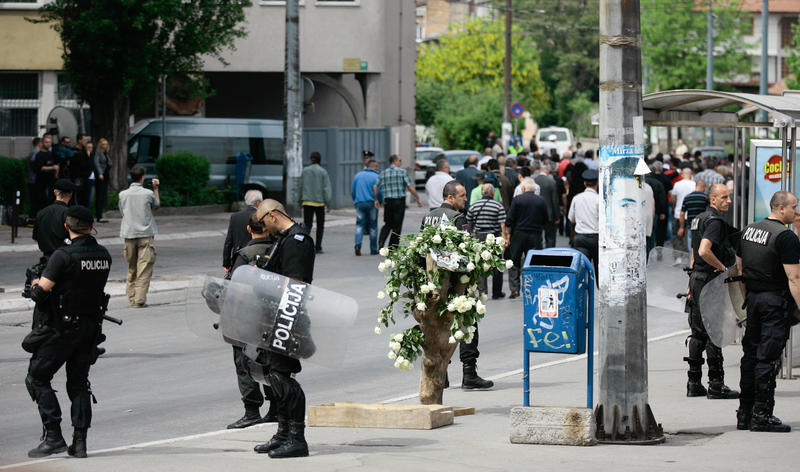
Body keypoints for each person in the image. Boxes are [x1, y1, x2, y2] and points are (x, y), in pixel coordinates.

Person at [24, 205, 112, 458]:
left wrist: (33, 282)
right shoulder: (103, 254)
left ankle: (53, 436)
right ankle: (80, 443)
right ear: (91, 225)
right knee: (79, 383)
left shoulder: (62, 256)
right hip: (90, 328)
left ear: (66, 226)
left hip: (62, 329)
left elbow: (41, 293)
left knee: (37, 376)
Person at [252, 199, 315, 458]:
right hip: (273, 316)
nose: (263, 228)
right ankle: (283, 433)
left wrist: (264, 280)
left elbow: (295, 284)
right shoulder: (284, 238)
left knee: (283, 376)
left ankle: (297, 438)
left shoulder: (297, 241)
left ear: (274, 215)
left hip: (288, 317)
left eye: (263, 222)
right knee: (273, 376)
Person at [736, 191, 800, 432]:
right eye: (794, 207)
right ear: (781, 208)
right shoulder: (785, 237)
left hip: (754, 299)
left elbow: (740, 269)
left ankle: (745, 412)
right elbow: (794, 278)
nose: (796, 211)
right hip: (775, 301)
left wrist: (748, 299)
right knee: (768, 357)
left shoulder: (749, 230)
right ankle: (762, 414)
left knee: (750, 355)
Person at [421, 181, 493, 389]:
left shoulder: (428, 217)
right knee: (467, 326)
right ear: (450, 197)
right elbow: (464, 253)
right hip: (456, 283)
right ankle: (469, 373)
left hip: (434, 283)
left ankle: (441, 374)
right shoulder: (458, 218)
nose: (465, 199)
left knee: (440, 327)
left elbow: (421, 251)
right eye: (462, 196)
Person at [684, 183, 739, 400]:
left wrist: (691, 279)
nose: (729, 201)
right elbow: (703, 250)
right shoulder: (715, 221)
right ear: (713, 199)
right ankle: (717, 384)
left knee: (697, 332)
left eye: (729, 197)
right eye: (724, 197)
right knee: (714, 331)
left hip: (697, 279)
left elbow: (694, 252)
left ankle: (694, 382)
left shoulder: (698, 218)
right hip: (710, 281)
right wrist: (722, 267)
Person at [226, 212, 279, 429]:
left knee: (245, 364)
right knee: (273, 364)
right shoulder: (279, 250)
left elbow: (233, 288)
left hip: (248, 320)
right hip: (274, 319)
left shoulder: (245, 254)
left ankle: (251, 411)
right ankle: (276, 407)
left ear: (250, 230)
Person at [118, 166, 160, 308]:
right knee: (144, 267)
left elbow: (121, 211)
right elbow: (157, 205)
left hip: (129, 233)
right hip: (145, 234)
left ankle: (131, 297)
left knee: (132, 267)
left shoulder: (122, 194)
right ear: (142, 177)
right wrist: (156, 189)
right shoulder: (148, 193)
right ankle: (140, 299)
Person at [506, 177, 549, 299]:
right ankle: (532, 287)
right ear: (534, 189)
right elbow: (546, 219)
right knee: (535, 261)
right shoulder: (540, 201)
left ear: (523, 188)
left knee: (514, 260)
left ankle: (515, 289)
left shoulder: (517, 200)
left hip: (518, 234)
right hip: (535, 234)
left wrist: (508, 233)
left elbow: (510, 219)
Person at [467, 183, 507, 300]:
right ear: (493, 193)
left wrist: (469, 236)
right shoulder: (498, 206)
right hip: (494, 237)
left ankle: (482, 291)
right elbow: (502, 224)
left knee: (480, 264)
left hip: (479, 237)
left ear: (481, 193)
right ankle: (497, 292)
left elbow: (469, 223)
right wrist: (505, 238)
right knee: (497, 264)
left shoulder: (474, 205)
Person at [374, 154, 422, 248]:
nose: (401, 162)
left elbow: (375, 187)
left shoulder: (383, 173)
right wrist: (417, 197)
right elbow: (410, 187)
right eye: (400, 160)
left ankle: (381, 241)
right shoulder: (402, 172)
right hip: (399, 202)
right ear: (394, 161)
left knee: (388, 223)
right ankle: (393, 247)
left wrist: (376, 199)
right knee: (397, 226)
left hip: (388, 202)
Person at [32, 179, 78, 258]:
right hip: (65, 257)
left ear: (55, 192)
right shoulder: (70, 214)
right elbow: (77, 238)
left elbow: (36, 238)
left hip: (46, 258)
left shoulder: (41, 213)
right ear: (70, 195)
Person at [298, 151, 331, 254]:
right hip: (319, 203)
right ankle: (318, 246)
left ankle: (305, 245)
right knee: (320, 226)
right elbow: (326, 189)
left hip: (307, 202)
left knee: (307, 224)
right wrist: (328, 203)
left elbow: (300, 186)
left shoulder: (305, 171)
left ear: (311, 159)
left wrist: (300, 201)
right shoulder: (323, 172)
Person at [568, 169, 600, 275]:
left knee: (581, 271)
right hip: (596, 238)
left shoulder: (577, 198)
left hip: (581, 238)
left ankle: (583, 291)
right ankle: (600, 290)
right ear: (597, 184)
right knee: (599, 270)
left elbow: (571, 218)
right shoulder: (599, 199)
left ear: (584, 183)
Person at [223, 190, 263, 272]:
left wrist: (226, 264)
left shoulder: (235, 216)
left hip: (238, 260)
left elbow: (228, 242)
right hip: (257, 260)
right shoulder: (261, 216)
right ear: (258, 203)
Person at [352, 158, 381, 256]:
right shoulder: (377, 176)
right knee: (373, 226)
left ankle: (357, 245)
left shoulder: (358, 176)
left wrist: (355, 201)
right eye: (377, 166)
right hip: (372, 203)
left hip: (360, 202)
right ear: (373, 166)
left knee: (359, 225)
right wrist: (379, 201)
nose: (378, 168)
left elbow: (353, 190)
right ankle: (373, 249)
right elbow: (379, 191)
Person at [532, 160, 560, 248]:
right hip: (549, 213)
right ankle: (550, 256)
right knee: (550, 237)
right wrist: (557, 216)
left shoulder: (533, 181)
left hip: (536, 213)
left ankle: (538, 254)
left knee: (537, 237)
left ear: (540, 171)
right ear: (547, 171)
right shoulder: (551, 181)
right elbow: (555, 200)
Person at [670, 167, 696, 256]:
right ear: (691, 175)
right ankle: (689, 255)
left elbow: (673, 198)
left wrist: (674, 207)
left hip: (678, 213)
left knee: (677, 235)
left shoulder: (677, 184)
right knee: (690, 236)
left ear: (682, 174)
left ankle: (678, 256)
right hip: (691, 214)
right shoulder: (694, 184)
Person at [679, 179, 709, 251]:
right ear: (703, 187)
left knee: (691, 243)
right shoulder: (705, 197)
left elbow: (682, 213)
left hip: (691, 224)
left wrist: (681, 227)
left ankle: (692, 259)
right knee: (701, 243)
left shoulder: (687, 197)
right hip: (702, 224)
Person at [33, 134, 59, 208]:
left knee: (52, 200)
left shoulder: (51, 154)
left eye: (50, 142)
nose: (48, 144)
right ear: (42, 143)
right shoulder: (39, 155)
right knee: (43, 201)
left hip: (51, 181)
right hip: (42, 183)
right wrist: (52, 167)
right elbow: (41, 167)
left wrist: (56, 173)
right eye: (46, 142)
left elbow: (56, 164)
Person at [93, 138, 112, 222]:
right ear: (100, 145)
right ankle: (99, 215)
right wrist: (100, 173)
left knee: (104, 195)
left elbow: (107, 163)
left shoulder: (105, 153)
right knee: (99, 195)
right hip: (101, 175)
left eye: (106, 144)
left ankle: (101, 214)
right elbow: (96, 163)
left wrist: (109, 164)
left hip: (106, 175)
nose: (105, 146)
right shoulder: (98, 152)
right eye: (103, 144)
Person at [27, 137, 42, 218]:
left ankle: (33, 217)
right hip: (34, 180)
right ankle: (33, 218)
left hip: (32, 179)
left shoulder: (33, 152)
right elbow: (33, 163)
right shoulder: (35, 153)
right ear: (39, 143)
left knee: (34, 200)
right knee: (36, 200)